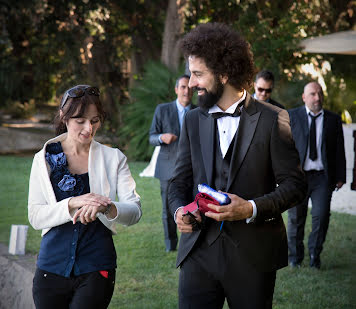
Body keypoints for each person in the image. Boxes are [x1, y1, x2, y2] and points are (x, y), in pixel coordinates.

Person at [168, 23, 306, 309]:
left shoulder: (273, 119)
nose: (191, 83)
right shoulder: (193, 120)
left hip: (253, 255)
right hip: (198, 252)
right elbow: (178, 182)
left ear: (223, 74)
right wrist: (179, 211)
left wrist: (250, 208)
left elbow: (295, 186)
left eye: (198, 74)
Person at [28, 85, 142, 309]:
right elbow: (35, 216)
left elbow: (135, 211)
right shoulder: (43, 159)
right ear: (64, 117)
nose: (88, 129)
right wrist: (72, 202)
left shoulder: (114, 158)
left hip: (96, 266)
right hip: (50, 268)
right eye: (80, 120)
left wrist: (105, 207)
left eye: (95, 120)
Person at [287, 81, 346, 269]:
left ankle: (314, 255)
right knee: (296, 218)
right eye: (312, 94)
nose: (317, 98)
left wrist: (340, 176)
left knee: (321, 217)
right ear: (304, 97)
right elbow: (284, 149)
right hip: (298, 177)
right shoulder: (291, 116)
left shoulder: (333, 119)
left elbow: (339, 150)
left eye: (319, 93)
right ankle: (295, 257)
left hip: (322, 178)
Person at [149, 75, 195, 252]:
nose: (186, 91)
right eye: (183, 87)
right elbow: (152, 137)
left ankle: (190, 240)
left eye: (189, 87)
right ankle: (171, 245)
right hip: (167, 167)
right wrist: (162, 137)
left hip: (192, 168)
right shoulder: (162, 110)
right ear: (176, 89)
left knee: (192, 205)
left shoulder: (199, 111)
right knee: (168, 209)